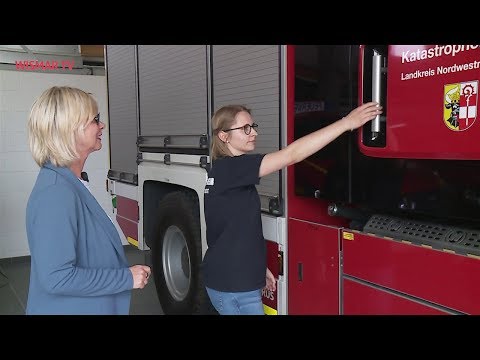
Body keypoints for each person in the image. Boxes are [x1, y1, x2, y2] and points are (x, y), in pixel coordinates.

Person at [202, 102, 382, 315]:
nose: (254, 133)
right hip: (234, 287)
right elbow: (292, 155)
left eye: (253, 126)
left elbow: (231, 229)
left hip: (232, 279)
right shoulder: (233, 169)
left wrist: (258, 268)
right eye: (245, 129)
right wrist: (346, 123)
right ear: (224, 136)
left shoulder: (224, 171)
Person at [25, 86, 151, 315]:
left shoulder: (69, 183)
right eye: (95, 119)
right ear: (69, 129)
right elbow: (57, 278)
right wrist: (126, 278)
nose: (101, 125)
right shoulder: (55, 193)